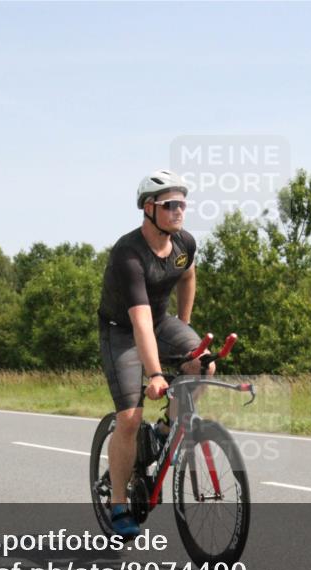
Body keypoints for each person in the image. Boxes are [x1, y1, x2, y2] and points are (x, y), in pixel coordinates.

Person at [97, 169, 215, 538]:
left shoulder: (184, 243)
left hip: (161, 322)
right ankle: (118, 501)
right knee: (130, 418)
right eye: (171, 204)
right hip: (121, 331)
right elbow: (140, 323)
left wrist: (185, 325)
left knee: (205, 364)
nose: (180, 210)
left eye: (183, 203)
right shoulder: (129, 254)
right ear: (148, 208)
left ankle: (165, 431)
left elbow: (188, 275)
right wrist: (157, 373)